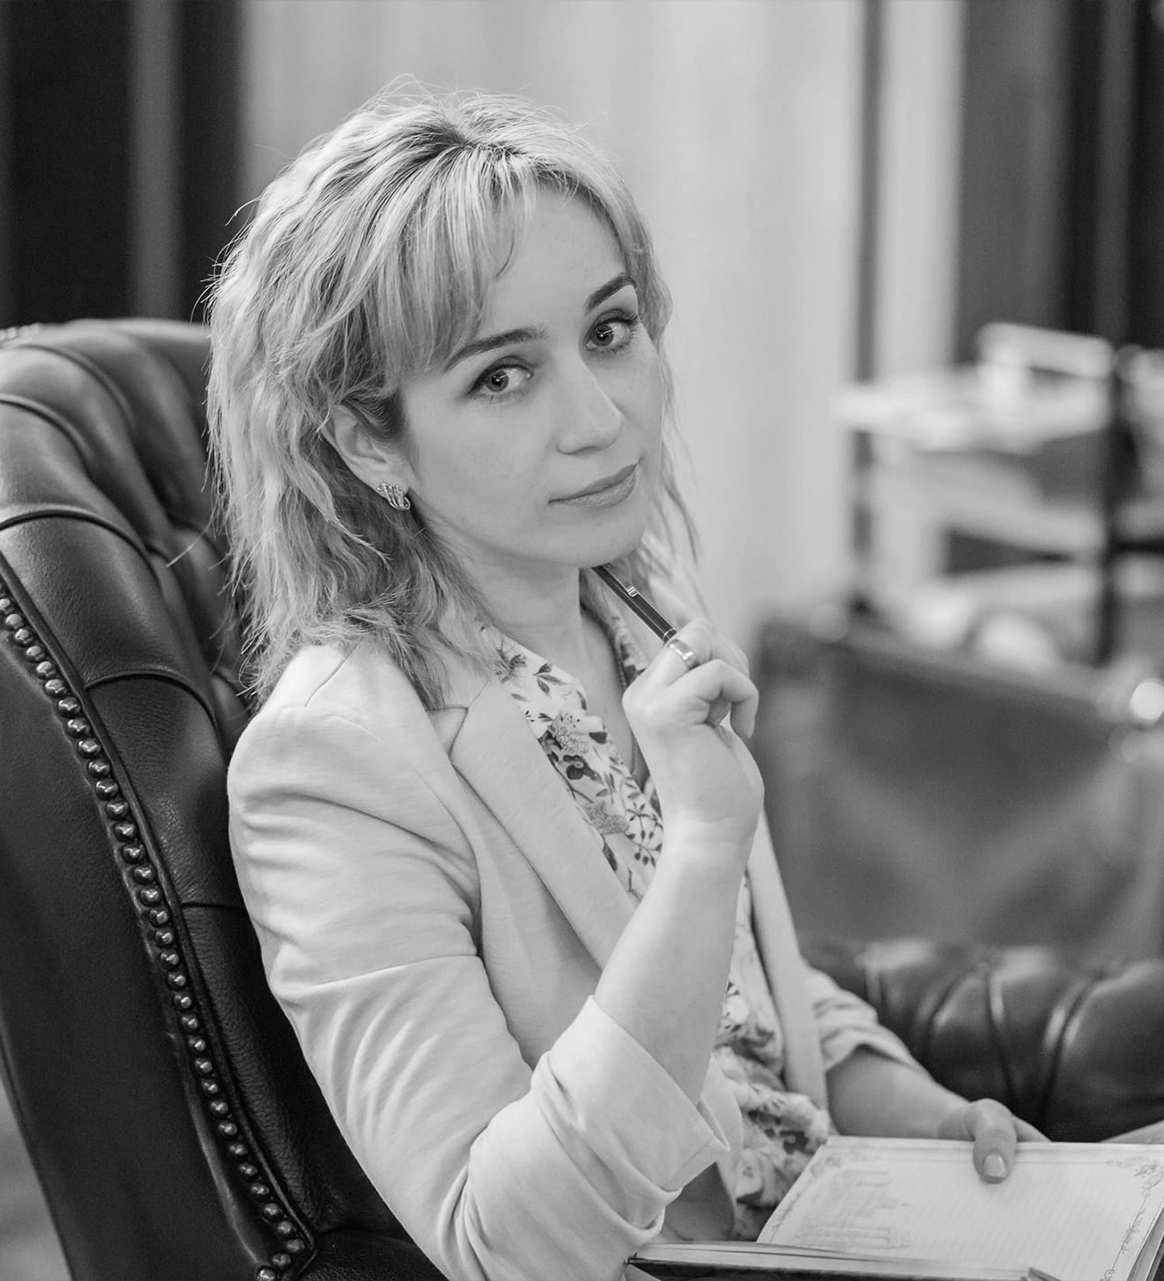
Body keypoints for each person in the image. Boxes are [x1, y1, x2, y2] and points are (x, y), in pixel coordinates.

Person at [207, 88, 1039, 1281]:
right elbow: (503, 1244)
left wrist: (908, 1114)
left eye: (609, 331)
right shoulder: (334, 766)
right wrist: (701, 848)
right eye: (502, 377)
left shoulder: (630, 607)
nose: (602, 420)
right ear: (368, 443)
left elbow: (744, 1002)